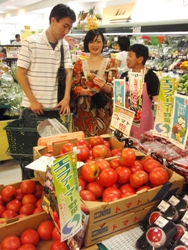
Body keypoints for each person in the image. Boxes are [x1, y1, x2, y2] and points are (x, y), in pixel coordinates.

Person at [16, 4, 76, 116]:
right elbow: (20, 74)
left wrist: (66, 98)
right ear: (53, 20)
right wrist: (33, 101)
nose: (66, 31)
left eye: (69, 28)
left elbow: (69, 73)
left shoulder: (65, 45)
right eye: (65, 26)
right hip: (32, 108)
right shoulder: (30, 43)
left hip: (55, 107)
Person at [71, 29, 117, 137]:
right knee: (82, 145)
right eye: (91, 41)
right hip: (82, 113)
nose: (95, 45)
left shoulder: (110, 63)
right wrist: (87, 92)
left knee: (103, 145)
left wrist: (104, 86)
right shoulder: (79, 63)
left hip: (103, 112)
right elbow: (73, 87)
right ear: (87, 43)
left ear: (103, 43)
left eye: (98, 41)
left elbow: (115, 88)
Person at [121, 43, 160, 140]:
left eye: (130, 56)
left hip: (144, 123)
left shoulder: (151, 77)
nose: (127, 59)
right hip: (125, 121)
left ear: (140, 59)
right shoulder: (124, 75)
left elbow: (157, 101)